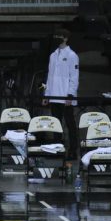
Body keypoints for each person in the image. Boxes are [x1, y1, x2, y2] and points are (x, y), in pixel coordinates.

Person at [44, 29, 79, 157]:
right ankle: (57, 149)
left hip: (65, 96)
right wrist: (47, 94)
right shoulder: (53, 55)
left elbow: (74, 77)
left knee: (70, 124)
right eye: (56, 36)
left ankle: (73, 151)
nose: (57, 38)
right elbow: (50, 76)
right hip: (54, 95)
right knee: (56, 124)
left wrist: (70, 94)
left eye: (59, 36)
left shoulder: (72, 55)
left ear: (65, 38)